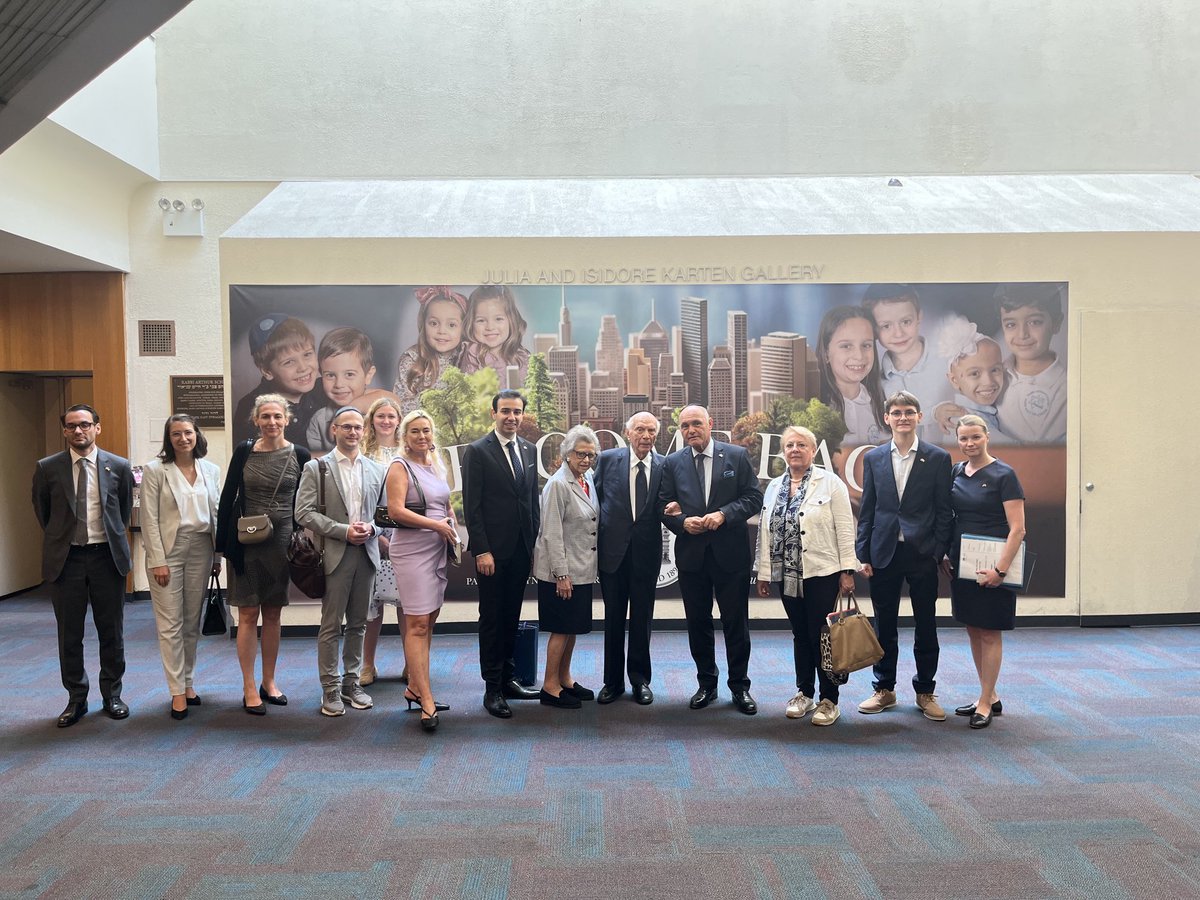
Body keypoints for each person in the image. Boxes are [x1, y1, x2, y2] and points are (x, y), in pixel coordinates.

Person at [32, 404, 134, 728]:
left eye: (85, 425)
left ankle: (112, 695)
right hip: (67, 559)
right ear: (64, 431)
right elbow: (43, 512)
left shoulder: (118, 466)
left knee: (111, 631)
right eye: (72, 426)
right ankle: (76, 698)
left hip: (107, 557)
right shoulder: (48, 468)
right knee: (69, 634)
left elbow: (123, 511)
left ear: (97, 428)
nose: (79, 431)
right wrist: (64, 539)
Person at [855, 390, 953, 721]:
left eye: (909, 412)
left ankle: (925, 691)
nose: (903, 418)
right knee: (884, 625)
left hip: (922, 553)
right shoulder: (874, 458)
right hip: (883, 552)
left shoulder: (937, 457)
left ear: (919, 416)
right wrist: (862, 551)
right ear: (887, 418)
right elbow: (868, 508)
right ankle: (884, 689)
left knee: (926, 623)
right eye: (896, 412)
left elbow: (944, 510)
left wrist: (938, 550)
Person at [659, 404, 763, 715]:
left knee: (735, 623)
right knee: (698, 623)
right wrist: (682, 523)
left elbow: (753, 498)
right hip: (692, 558)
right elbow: (663, 505)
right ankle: (706, 684)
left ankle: (739, 687)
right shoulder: (672, 463)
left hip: (730, 556)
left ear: (710, 423)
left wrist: (724, 514)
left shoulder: (736, 456)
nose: (691, 430)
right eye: (685, 426)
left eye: (696, 424)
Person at [754, 426, 858, 726]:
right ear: (782, 452)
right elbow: (765, 530)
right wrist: (763, 572)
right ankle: (804, 692)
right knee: (800, 634)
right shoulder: (774, 486)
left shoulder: (831, 484)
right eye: (789, 445)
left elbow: (845, 527)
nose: (794, 449)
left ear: (813, 451)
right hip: (787, 575)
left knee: (823, 636)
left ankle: (829, 699)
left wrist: (847, 570)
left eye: (801, 444)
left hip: (822, 572)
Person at [216, 394, 312, 715]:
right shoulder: (244, 451)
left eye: (277, 416)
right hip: (246, 543)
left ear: (287, 419)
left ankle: (269, 682)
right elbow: (228, 497)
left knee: (273, 614)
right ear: (256, 420)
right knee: (246, 614)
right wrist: (220, 548)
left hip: (281, 545)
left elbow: (305, 502)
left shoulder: (300, 454)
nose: (272, 422)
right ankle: (247, 685)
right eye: (265, 417)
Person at [296, 406, 386, 717]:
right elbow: (303, 512)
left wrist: (373, 528)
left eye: (357, 427)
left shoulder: (376, 469)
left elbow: (385, 515)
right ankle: (330, 689)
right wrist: (343, 531)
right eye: (346, 427)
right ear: (334, 429)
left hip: (367, 554)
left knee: (359, 623)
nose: (352, 432)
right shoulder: (316, 468)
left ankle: (352, 684)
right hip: (334, 554)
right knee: (331, 625)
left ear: (364, 431)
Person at [462, 389, 542, 719]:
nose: (512, 417)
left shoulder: (528, 448)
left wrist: (534, 544)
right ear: (493, 413)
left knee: (511, 616)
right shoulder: (478, 451)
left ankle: (509, 679)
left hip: (521, 550)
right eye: (505, 411)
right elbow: (472, 506)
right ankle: (492, 687)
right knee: (493, 619)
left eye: (517, 412)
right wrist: (482, 550)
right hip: (491, 554)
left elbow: (530, 501)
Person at [945, 414, 1026, 729]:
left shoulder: (1005, 474)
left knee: (990, 632)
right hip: (964, 564)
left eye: (975, 437)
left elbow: (1017, 529)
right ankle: (989, 695)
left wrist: (1000, 570)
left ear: (987, 436)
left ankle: (985, 701)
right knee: (974, 629)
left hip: (995, 565)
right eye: (963, 438)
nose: (969, 444)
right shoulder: (956, 471)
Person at [140, 414, 222, 720]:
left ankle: (188, 682)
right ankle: (176, 691)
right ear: (169, 438)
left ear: (196, 435)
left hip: (202, 547)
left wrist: (216, 558)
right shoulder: (155, 470)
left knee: (190, 621)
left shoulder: (210, 469)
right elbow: (148, 519)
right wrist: (157, 560)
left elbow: (215, 516)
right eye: (176, 434)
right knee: (170, 624)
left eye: (188, 432)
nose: (183, 438)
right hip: (169, 552)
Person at [384, 409, 459, 732]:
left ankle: (416, 687)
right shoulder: (399, 467)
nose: (422, 437)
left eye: (426, 431)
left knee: (428, 622)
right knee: (415, 623)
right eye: (414, 431)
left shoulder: (435, 463)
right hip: (412, 550)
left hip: (437, 548)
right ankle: (426, 700)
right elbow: (395, 511)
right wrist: (436, 526)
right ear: (405, 436)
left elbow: (444, 502)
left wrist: (450, 524)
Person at [593, 411, 664, 705]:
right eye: (640, 430)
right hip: (613, 555)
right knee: (613, 619)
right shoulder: (608, 460)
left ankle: (640, 680)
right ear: (627, 432)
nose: (646, 436)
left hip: (646, 556)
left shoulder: (664, 466)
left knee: (642, 620)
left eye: (651, 431)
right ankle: (612, 682)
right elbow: (593, 503)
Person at [532, 426, 600, 709]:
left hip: (582, 568)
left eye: (591, 455)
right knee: (560, 628)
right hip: (561, 573)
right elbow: (551, 532)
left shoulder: (587, 478)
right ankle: (549, 686)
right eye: (580, 454)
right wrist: (562, 575)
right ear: (566, 454)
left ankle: (565, 678)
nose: (586, 459)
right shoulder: (558, 484)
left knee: (572, 627)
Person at [863, 284, 952, 442]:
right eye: (886, 326)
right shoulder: (874, 381)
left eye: (906, 322)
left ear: (919, 317)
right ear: (874, 330)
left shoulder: (948, 361)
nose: (898, 333)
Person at [360, 396, 406, 686]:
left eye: (391, 416)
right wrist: (377, 537)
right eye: (381, 416)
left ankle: (410, 664)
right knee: (371, 606)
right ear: (372, 420)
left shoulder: (407, 451)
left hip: (404, 535)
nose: (386, 421)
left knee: (407, 604)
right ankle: (367, 665)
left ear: (399, 420)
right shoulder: (362, 452)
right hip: (372, 537)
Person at [231, 314, 322, 446]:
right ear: (267, 371)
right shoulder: (251, 408)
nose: (303, 367)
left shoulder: (323, 390)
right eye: (289, 362)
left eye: (307, 354)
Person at [994, 283, 1067, 444]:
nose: (1022, 334)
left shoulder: (1068, 387)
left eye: (1034, 322)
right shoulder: (992, 377)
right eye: (1011, 324)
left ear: (1056, 323)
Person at [931, 315, 1014, 442]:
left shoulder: (991, 406)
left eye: (994, 370)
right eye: (975, 374)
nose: (988, 381)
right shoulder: (961, 420)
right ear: (954, 380)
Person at [306, 327, 390, 452]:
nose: (339, 384)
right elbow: (314, 462)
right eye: (330, 375)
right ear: (321, 374)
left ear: (368, 375)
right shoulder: (319, 421)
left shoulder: (383, 416)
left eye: (349, 374)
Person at [818, 305, 888, 447]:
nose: (859, 356)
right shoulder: (816, 407)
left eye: (866, 345)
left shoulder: (881, 404)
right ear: (826, 353)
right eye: (846, 346)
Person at [394, 286, 468, 413]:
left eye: (451, 325)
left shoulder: (468, 357)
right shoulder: (412, 359)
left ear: (463, 328)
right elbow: (400, 406)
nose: (441, 331)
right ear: (424, 324)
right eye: (434, 323)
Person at [457, 285, 531, 389]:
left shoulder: (521, 356)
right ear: (471, 323)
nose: (490, 327)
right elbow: (470, 391)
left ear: (511, 321)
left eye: (498, 319)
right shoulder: (472, 353)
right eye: (481, 320)